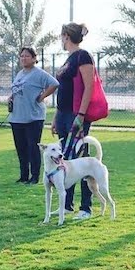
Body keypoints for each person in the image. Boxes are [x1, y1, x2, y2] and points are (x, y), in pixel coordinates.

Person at [52, 22, 97, 220]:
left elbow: (89, 87)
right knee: (64, 160)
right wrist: (56, 116)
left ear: (66, 36)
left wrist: (81, 114)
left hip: (76, 115)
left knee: (80, 160)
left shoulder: (83, 56)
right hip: (63, 114)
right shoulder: (68, 59)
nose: (61, 40)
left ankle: (86, 207)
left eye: (61, 37)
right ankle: (67, 205)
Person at [9, 47, 59, 184]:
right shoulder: (20, 73)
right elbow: (17, 88)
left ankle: (35, 176)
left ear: (34, 58)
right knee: (21, 148)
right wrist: (12, 97)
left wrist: (42, 96)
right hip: (17, 117)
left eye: (27, 56)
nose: (24, 58)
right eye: (22, 56)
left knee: (33, 147)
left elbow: (54, 84)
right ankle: (23, 175)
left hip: (33, 117)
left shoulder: (39, 74)